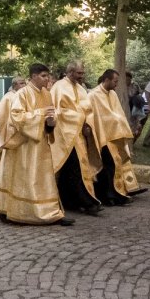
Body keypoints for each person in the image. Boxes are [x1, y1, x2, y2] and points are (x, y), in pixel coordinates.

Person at [0, 64, 73, 226]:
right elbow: (16, 117)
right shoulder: (22, 94)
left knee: (42, 179)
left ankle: (50, 212)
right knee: (24, 179)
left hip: (41, 144)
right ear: (34, 76)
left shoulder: (47, 94)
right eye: (43, 76)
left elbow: (51, 117)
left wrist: (51, 123)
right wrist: (42, 115)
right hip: (23, 146)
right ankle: (17, 211)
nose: (47, 79)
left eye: (48, 76)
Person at [49, 61, 103, 216]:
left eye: (82, 73)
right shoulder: (58, 87)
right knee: (74, 168)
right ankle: (86, 202)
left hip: (79, 135)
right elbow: (57, 111)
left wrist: (88, 124)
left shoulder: (81, 89)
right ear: (70, 72)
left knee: (75, 169)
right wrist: (79, 117)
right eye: (79, 73)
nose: (82, 76)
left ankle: (70, 201)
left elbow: (88, 110)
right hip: (65, 135)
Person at [87, 69, 144, 206]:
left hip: (114, 135)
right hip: (101, 135)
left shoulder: (112, 94)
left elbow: (118, 113)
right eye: (115, 81)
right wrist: (115, 120)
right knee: (106, 165)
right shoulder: (93, 95)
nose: (117, 84)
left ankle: (116, 193)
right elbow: (94, 116)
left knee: (115, 164)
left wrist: (123, 124)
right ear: (106, 80)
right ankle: (107, 196)